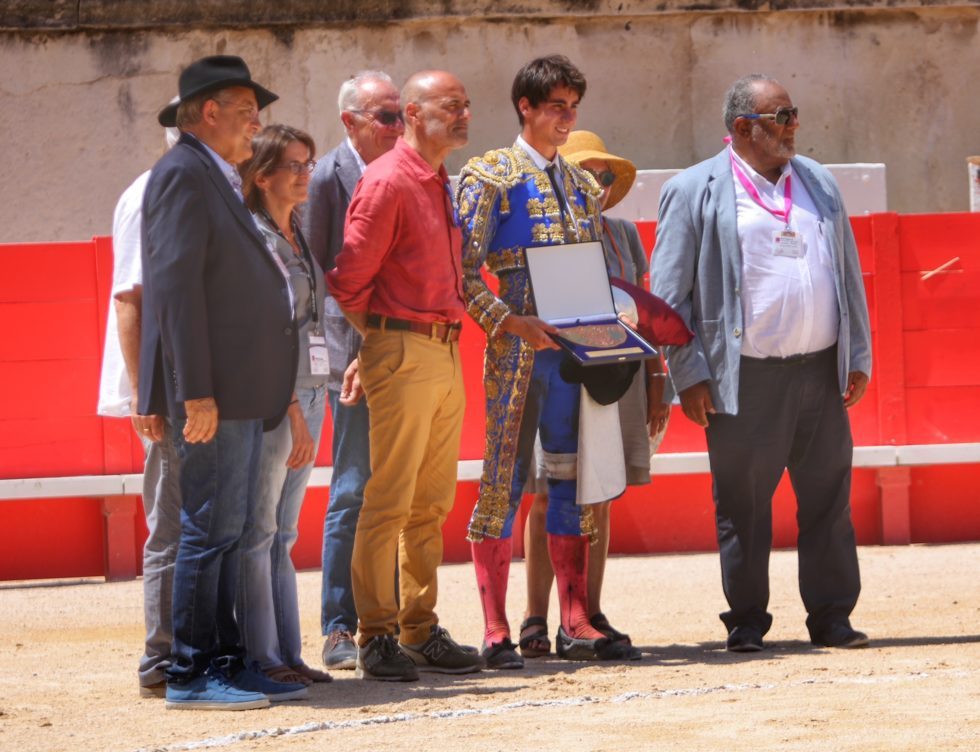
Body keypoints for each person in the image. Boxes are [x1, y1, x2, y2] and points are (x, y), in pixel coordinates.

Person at [650, 74, 872, 653]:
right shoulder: (693, 189)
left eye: (794, 113)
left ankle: (832, 616)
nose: (795, 125)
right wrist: (689, 374)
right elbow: (669, 297)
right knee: (743, 504)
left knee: (828, 498)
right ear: (744, 127)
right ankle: (746, 620)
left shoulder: (818, 180)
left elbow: (846, 271)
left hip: (819, 369)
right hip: (743, 375)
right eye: (783, 116)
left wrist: (857, 354)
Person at [457, 55, 636, 669]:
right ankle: (495, 628)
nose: (567, 117)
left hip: (572, 352)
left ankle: (575, 619)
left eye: (573, 106)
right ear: (525, 107)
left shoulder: (583, 184)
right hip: (515, 350)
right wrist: (509, 322)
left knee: (570, 478)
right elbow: (461, 274)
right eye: (556, 106)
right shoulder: (491, 175)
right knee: (502, 482)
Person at [139, 55, 305, 709]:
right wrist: (195, 391)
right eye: (246, 111)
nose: (256, 124)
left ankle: (227, 662)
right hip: (217, 395)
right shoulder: (183, 174)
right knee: (208, 529)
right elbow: (175, 291)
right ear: (210, 112)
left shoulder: (212, 175)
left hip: (240, 392)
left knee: (228, 531)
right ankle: (188, 672)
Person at [326, 70, 482, 681]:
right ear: (414, 113)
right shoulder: (389, 178)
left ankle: (417, 628)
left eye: (465, 104)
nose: (463, 114)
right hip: (406, 346)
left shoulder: (435, 178)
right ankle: (376, 633)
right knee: (390, 498)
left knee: (431, 501)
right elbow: (347, 280)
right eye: (450, 105)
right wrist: (382, 340)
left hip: (442, 348)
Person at [518, 130, 669, 658]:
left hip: (614, 376)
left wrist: (657, 380)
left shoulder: (623, 234)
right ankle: (536, 617)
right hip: (557, 375)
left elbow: (644, 313)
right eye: (588, 173)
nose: (598, 184)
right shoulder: (541, 230)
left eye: (605, 176)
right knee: (546, 495)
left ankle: (590, 611)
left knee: (601, 492)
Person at [301, 71, 404, 671]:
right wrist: (351, 353)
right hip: (353, 359)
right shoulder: (324, 179)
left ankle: (386, 621)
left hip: (403, 352)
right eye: (386, 116)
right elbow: (320, 276)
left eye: (401, 114)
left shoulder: (406, 170)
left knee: (394, 491)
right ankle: (339, 624)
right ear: (350, 122)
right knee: (352, 488)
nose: (398, 126)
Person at [236, 124, 332, 689]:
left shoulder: (295, 230)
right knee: (261, 529)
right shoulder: (255, 237)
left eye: (307, 164)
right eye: (293, 165)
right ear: (262, 175)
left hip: (310, 390)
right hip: (280, 397)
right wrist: (292, 406)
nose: (304, 175)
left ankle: (288, 653)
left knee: (284, 531)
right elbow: (264, 331)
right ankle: (263, 655)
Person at [96, 117, 182, 699]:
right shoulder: (147, 194)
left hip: (192, 382)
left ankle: (194, 647)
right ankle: (162, 656)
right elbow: (130, 297)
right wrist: (142, 391)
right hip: (165, 386)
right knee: (171, 521)